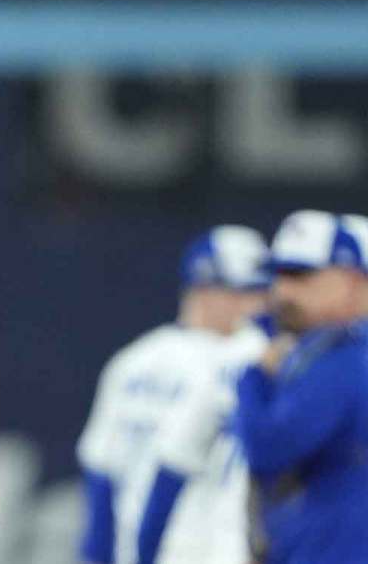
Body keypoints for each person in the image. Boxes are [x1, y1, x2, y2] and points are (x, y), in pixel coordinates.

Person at [77, 225, 269, 564]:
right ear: (205, 287)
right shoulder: (246, 354)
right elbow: (101, 473)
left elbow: (100, 471)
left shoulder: (133, 359)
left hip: (175, 547)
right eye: (246, 291)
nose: (259, 303)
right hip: (186, 545)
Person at [234, 210, 368, 564]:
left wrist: (254, 379)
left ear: (353, 281)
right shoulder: (322, 349)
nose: (282, 291)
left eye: (300, 276)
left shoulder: (346, 358)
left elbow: (267, 448)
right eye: (277, 275)